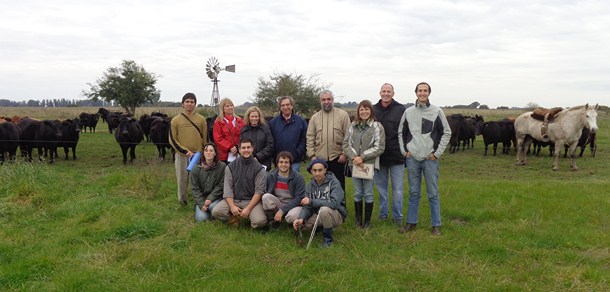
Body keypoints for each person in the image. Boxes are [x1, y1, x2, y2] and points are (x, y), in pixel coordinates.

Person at [398, 82, 451, 236]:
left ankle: (436, 225)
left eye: (425, 90)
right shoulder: (408, 112)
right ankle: (411, 223)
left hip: (430, 159)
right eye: (420, 90)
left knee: (433, 193)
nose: (422, 93)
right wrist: (404, 151)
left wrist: (437, 154)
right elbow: (401, 132)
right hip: (413, 158)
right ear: (416, 93)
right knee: (414, 192)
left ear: (429, 93)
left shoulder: (437, 111)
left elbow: (447, 132)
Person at [343, 100, 385, 229]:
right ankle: (358, 221)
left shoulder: (377, 126)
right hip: (355, 164)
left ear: (371, 111)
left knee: (368, 193)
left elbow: (380, 147)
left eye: (366, 109)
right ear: (358, 112)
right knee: (357, 192)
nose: (364, 112)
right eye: (361, 109)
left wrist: (362, 157)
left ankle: (367, 223)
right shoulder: (353, 126)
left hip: (369, 165)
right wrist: (354, 158)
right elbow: (346, 144)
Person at [211, 138, 267, 229]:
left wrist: (248, 209)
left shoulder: (259, 169)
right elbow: (227, 188)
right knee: (216, 212)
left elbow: (259, 192)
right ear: (239, 150)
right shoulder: (231, 166)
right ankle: (233, 216)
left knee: (259, 222)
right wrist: (232, 207)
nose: (246, 150)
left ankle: (246, 217)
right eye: (243, 148)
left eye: (248, 147)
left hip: (251, 201)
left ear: (252, 149)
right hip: (234, 199)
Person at [372, 83, 407, 225]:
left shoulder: (400, 109)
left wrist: (406, 150)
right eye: (384, 91)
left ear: (393, 93)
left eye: (389, 91)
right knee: (381, 189)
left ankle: (398, 216)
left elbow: (406, 131)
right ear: (380, 92)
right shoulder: (373, 109)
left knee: (398, 189)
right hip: (379, 157)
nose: (386, 94)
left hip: (397, 155)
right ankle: (383, 214)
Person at [293, 159, 347, 248]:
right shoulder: (310, 185)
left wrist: (312, 201)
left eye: (320, 170)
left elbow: (334, 204)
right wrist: (301, 218)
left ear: (325, 170)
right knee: (302, 225)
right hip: (318, 214)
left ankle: (328, 240)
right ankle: (320, 228)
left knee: (324, 210)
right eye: (314, 170)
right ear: (311, 171)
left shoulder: (334, 182)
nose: (317, 173)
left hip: (336, 214)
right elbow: (307, 206)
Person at [306, 90, 351, 192]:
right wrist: (312, 155)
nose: (326, 101)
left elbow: (348, 136)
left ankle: (340, 207)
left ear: (332, 100)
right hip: (320, 159)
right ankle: (322, 207)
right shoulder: (315, 118)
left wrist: (344, 154)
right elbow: (310, 137)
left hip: (338, 158)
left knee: (339, 186)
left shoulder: (343, 115)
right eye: (324, 99)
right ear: (321, 102)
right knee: (322, 187)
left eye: (328, 99)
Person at [169, 92, 207, 206]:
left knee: (199, 180)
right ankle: (182, 202)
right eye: (187, 102)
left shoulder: (201, 120)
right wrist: (185, 151)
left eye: (192, 102)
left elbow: (205, 138)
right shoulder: (175, 120)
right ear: (182, 104)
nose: (189, 104)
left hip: (198, 155)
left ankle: (199, 202)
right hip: (182, 155)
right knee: (182, 179)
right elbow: (172, 140)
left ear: (195, 104)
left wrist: (204, 153)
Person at [261, 151, 306, 224]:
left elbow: (299, 198)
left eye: (286, 162)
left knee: (291, 217)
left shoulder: (298, 178)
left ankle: (289, 222)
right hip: (278, 203)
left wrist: (282, 210)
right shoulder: (271, 176)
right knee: (266, 197)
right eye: (281, 162)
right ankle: (272, 220)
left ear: (290, 164)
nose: (283, 164)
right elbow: (266, 191)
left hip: (293, 205)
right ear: (277, 164)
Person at [269, 96, 308, 173]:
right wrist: (275, 155)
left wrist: (297, 153)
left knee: (293, 183)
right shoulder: (273, 122)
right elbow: (270, 140)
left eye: (287, 105)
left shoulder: (301, 121)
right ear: (280, 107)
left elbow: (304, 139)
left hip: (295, 161)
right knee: (279, 183)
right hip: (279, 161)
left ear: (292, 106)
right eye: (283, 105)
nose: (285, 107)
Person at [191, 142, 226, 222]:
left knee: (211, 207)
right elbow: (195, 189)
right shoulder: (196, 169)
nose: (208, 152)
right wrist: (201, 204)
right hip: (202, 198)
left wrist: (210, 198)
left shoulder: (222, 166)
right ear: (203, 153)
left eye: (211, 150)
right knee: (202, 219)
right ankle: (203, 211)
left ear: (215, 153)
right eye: (206, 151)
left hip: (216, 197)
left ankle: (212, 211)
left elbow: (221, 185)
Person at [213, 98, 245, 162]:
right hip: (224, 155)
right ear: (222, 108)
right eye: (227, 106)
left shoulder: (240, 121)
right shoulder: (218, 122)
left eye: (231, 105)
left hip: (239, 153)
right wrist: (230, 147)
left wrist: (238, 147)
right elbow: (218, 139)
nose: (230, 107)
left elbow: (244, 135)